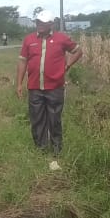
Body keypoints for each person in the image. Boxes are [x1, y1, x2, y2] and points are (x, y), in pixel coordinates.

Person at [15, 9, 83, 155]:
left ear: (51, 24)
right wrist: (19, 84)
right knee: (37, 119)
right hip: (34, 87)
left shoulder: (61, 38)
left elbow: (78, 51)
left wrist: (68, 65)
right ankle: (41, 149)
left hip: (55, 87)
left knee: (54, 119)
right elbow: (22, 62)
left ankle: (57, 149)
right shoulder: (29, 40)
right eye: (38, 22)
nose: (39, 25)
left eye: (43, 23)